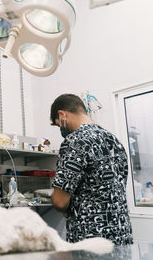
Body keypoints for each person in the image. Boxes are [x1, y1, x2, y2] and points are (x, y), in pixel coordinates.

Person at [50, 94, 133, 245]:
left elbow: (60, 201)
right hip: (122, 234)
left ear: (62, 114)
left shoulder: (75, 141)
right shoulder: (114, 141)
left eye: (58, 124)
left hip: (91, 239)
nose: (61, 129)